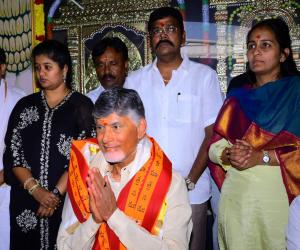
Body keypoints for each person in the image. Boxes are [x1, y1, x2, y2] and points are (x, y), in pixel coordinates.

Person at [124, 6, 223, 250]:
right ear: (150, 40)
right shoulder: (134, 81)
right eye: (156, 31)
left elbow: (212, 134)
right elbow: (126, 134)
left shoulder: (204, 77)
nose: (163, 34)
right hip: (144, 191)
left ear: (183, 36)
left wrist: (189, 181)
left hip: (192, 190)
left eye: (170, 28)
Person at [57, 87, 192, 249]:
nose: (105, 138)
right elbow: (64, 245)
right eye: (100, 127)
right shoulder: (84, 170)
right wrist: (94, 221)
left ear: (140, 128)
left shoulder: (170, 182)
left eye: (116, 127)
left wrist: (113, 216)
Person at [208, 18, 300, 250]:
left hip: (279, 202)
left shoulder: (296, 93)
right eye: (251, 46)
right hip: (237, 202)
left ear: (284, 54)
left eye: (266, 45)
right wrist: (230, 155)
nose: (256, 52)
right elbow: (214, 147)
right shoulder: (237, 98)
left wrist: (261, 157)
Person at [3, 40, 95, 250]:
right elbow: (14, 153)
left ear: (64, 69)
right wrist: (36, 191)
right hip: (26, 201)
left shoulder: (81, 107)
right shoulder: (24, 106)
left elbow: (83, 157)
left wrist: (53, 195)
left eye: (47, 67)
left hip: (65, 202)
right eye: (37, 67)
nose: (41, 73)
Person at [0, 48, 26, 250]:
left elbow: (26, 149)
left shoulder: (20, 100)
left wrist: (4, 174)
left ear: (2, 68)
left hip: (8, 186)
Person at [86, 37, 128, 103]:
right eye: (101, 65)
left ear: (125, 65)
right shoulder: (89, 102)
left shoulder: (141, 92)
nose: (107, 71)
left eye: (113, 64)